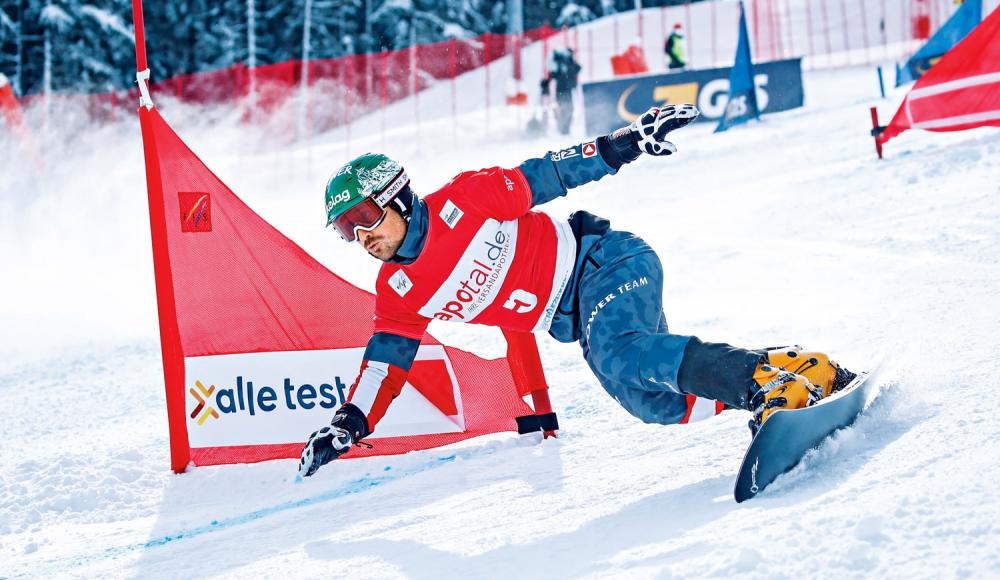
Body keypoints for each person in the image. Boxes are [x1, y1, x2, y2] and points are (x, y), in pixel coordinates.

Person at [298, 104, 856, 477]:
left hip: (604, 260)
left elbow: (549, 174)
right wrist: (348, 423)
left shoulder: (463, 201)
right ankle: (799, 368)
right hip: (574, 319)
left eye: (364, 216)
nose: (361, 236)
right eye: (346, 230)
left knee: (625, 354)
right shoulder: (398, 290)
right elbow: (385, 364)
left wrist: (623, 144)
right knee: (653, 403)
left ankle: (762, 385)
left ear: (397, 196)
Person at [540, 48, 582, 135]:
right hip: (563, 90)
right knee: (566, 109)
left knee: (567, 109)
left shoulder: (566, 64)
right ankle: (563, 129)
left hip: (564, 90)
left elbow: (578, 68)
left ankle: (563, 128)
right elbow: (575, 69)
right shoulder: (563, 65)